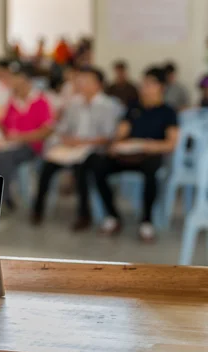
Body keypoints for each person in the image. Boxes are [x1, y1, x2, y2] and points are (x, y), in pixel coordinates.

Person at [91, 67, 179, 242]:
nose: (144, 88)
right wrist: (116, 142)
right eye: (143, 83)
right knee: (98, 165)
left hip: (150, 155)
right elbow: (122, 131)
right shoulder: (134, 107)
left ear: (161, 87)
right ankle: (112, 216)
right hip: (128, 155)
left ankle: (146, 221)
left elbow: (170, 144)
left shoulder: (168, 112)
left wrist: (147, 145)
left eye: (149, 84)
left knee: (151, 171)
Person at [32, 66, 120, 231]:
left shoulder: (108, 105)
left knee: (82, 168)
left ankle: (84, 214)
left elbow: (108, 136)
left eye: (87, 81)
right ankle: (37, 209)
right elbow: (63, 128)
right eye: (81, 80)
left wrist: (83, 142)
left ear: (98, 84)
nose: (82, 84)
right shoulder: (74, 103)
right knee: (47, 165)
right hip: (71, 147)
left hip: (94, 149)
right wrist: (67, 139)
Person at [0, 60, 54, 209]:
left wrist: (19, 138)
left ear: (25, 80)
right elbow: (6, 127)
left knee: (3, 157)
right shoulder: (13, 101)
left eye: (15, 78)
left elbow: (46, 132)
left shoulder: (41, 101)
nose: (11, 82)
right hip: (11, 142)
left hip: (31, 146)